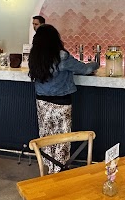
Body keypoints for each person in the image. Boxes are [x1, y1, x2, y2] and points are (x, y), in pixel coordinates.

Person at [28, 24, 98, 173]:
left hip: (42, 102)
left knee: (46, 137)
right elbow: (85, 69)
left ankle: (49, 169)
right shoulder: (61, 56)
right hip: (61, 103)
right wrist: (96, 63)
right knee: (62, 138)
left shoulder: (35, 57)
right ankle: (59, 171)